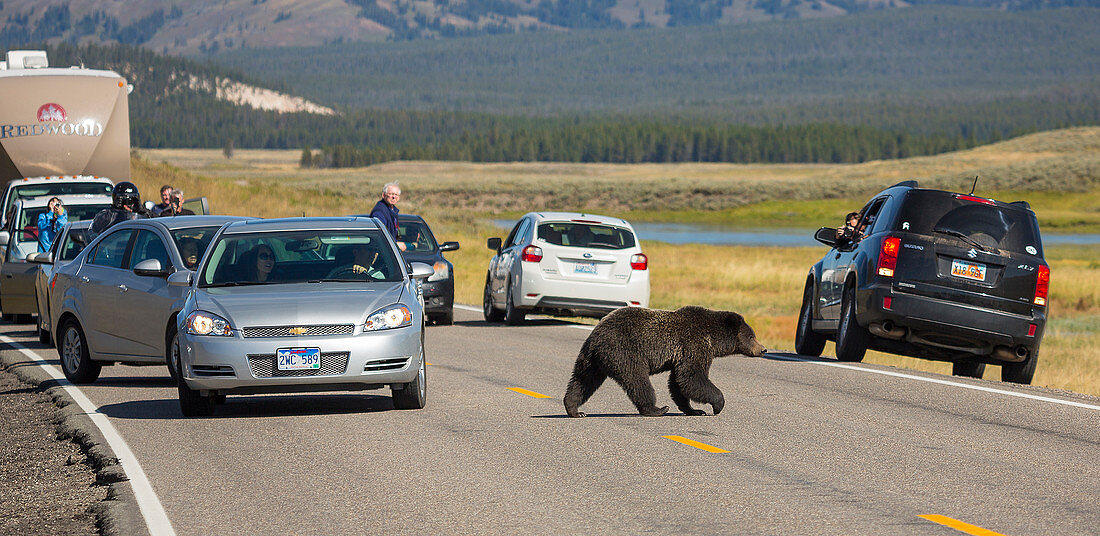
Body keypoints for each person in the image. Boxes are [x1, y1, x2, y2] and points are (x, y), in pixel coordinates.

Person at [369, 182, 406, 251]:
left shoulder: (393, 211)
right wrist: (396, 244)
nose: (394, 197)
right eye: (391, 194)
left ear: (399, 198)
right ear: (383, 195)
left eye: (396, 195)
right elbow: (380, 235)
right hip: (382, 251)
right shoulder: (379, 212)